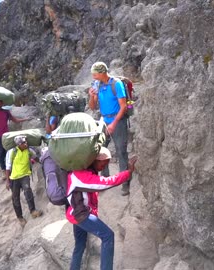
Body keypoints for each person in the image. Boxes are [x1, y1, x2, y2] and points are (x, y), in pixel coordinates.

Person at [66, 147, 137, 270]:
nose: (104, 168)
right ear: (95, 160)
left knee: (80, 245)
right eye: (103, 164)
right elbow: (103, 183)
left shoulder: (83, 171)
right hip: (80, 214)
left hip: (76, 212)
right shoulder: (80, 175)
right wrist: (128, 173)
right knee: (108, 235)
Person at [88, 62, 131, 196]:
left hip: (117, 122)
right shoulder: (97, 85)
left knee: (121, 151)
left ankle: (125, 183)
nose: (93, 77)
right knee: (100, 150)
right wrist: (92, 96)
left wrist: (113, 124)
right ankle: (104, 180)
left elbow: (123, 107)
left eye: (95, 74)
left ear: (102, 73)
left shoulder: (116, 84)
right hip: (104, 121)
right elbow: (93, 107)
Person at [5, 135, 43, 227]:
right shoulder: (12, 152)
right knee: (15, 198)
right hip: (14, 178)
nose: (26, 144)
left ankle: (33, 211)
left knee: (28, 191)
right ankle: (20, 217)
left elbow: (36, 158)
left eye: (26, 142)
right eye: (23, 143)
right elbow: (8, 167)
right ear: (18, 144)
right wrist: (7, 180)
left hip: (25, 175)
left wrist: (43, 162)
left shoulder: (29, 151)